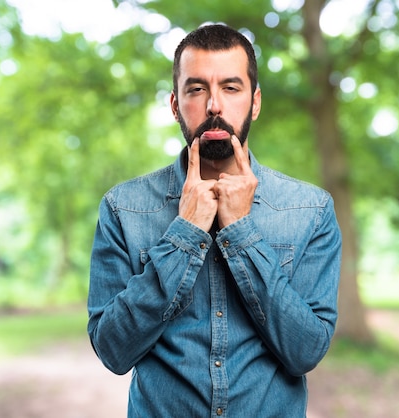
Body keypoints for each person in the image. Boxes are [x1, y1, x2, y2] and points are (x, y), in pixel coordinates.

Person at [87, 24, 342, 417]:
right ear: (175, 104)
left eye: (231, 87)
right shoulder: (124, 207)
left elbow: (305, 351)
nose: (214, 106)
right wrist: (185, 234)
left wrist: (241, 233)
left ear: (254, 102)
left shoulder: (311, 209)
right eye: (197, 89)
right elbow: (113, 350)